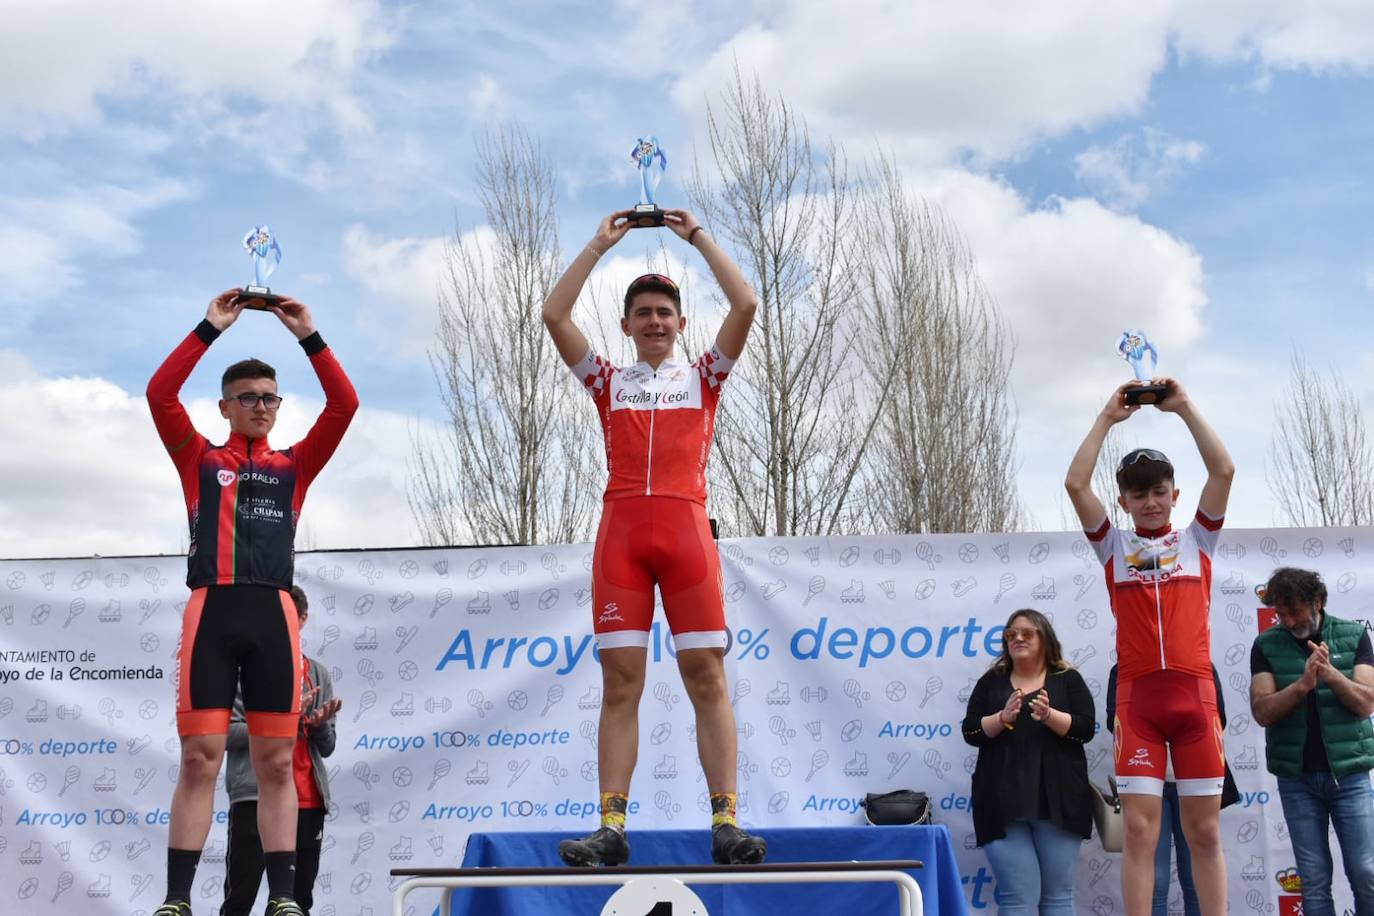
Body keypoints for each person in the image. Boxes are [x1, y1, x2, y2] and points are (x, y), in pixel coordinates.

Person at [541, 208, 762, 866]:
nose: (656, 322)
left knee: (707, 677)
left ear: (681, 324)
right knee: (620, 684)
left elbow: (747, 301)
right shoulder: (608, 382)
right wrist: (598, 244)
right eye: (644, 313)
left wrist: (696, 235)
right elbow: (554, 317)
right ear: (628, 325)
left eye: (666, 312)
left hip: (686, 531)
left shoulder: (705, 377)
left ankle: (725, 821)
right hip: (623, 539)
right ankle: (611, 827)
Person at [146, 290, 358, 916]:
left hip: (273, 616)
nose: (261, 407)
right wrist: (211, 328)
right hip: (211, 610)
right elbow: (160, 395)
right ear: (226, 407)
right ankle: (177, 899)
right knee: (198, 759)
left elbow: (345, 405)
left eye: (270, 398)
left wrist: (309, 335)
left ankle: (286, 898)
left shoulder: (295, 465)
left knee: (273, 760)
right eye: (248, 398)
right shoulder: (200, 458)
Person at [1064, 377, 1234, 916]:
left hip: (1195, 698)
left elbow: (1224, 470)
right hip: (1138, 703)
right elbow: (1074, 484)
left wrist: (1183, 406)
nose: (1152, 501)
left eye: (1160, 490)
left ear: (1174, 495)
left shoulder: (1196, 540)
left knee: (1204, 832)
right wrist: (1107, 419)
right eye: (1139, 493)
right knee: (1138, 830)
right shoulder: (1114, 546)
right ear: (1125, 501)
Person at [1250, 566, 1374, 916]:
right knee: (1314, 879)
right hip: (1297, 780)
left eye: (1295, 611)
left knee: (1367, 871)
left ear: (1317, 602)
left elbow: (1366, 702)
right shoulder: (1265, 645)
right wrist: (1302, 685)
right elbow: (1262, 710)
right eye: (1280, 613)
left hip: (1350, 777)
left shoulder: (1353, 635)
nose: (1288, 621)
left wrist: (1331, 674)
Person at [962, 608, 1096, 914]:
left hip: (1060, 802)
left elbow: (1086, 729)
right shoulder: (991, 682)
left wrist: (1049, 716)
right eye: (1011, 634)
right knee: (1016, 896)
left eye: (1026, 633)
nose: (1017, 638)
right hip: (1000, 804)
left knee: (1058, 897)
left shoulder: (1068, 679)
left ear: (1045, 639)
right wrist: (1002, 717)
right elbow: (970, 731)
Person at [222, 585, 341, 915]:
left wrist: (317, 724)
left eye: (288, 616)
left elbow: (328, 747)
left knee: (297, 903)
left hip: (307, 799)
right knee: (240, 897)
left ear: (303, 619)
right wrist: (282, 723)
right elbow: (224, 734)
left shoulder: (317, 673)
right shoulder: (240, 672)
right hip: (255, 797)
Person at [1106, 664, 1241, 916]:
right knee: (1155, 880)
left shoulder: (1201, 665)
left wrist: (1181, 733)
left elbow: (1216, 716)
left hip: (1193, 784)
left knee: (1194, 875)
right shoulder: (1123, 670)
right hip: (1148, 785)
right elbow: (1114, 722)